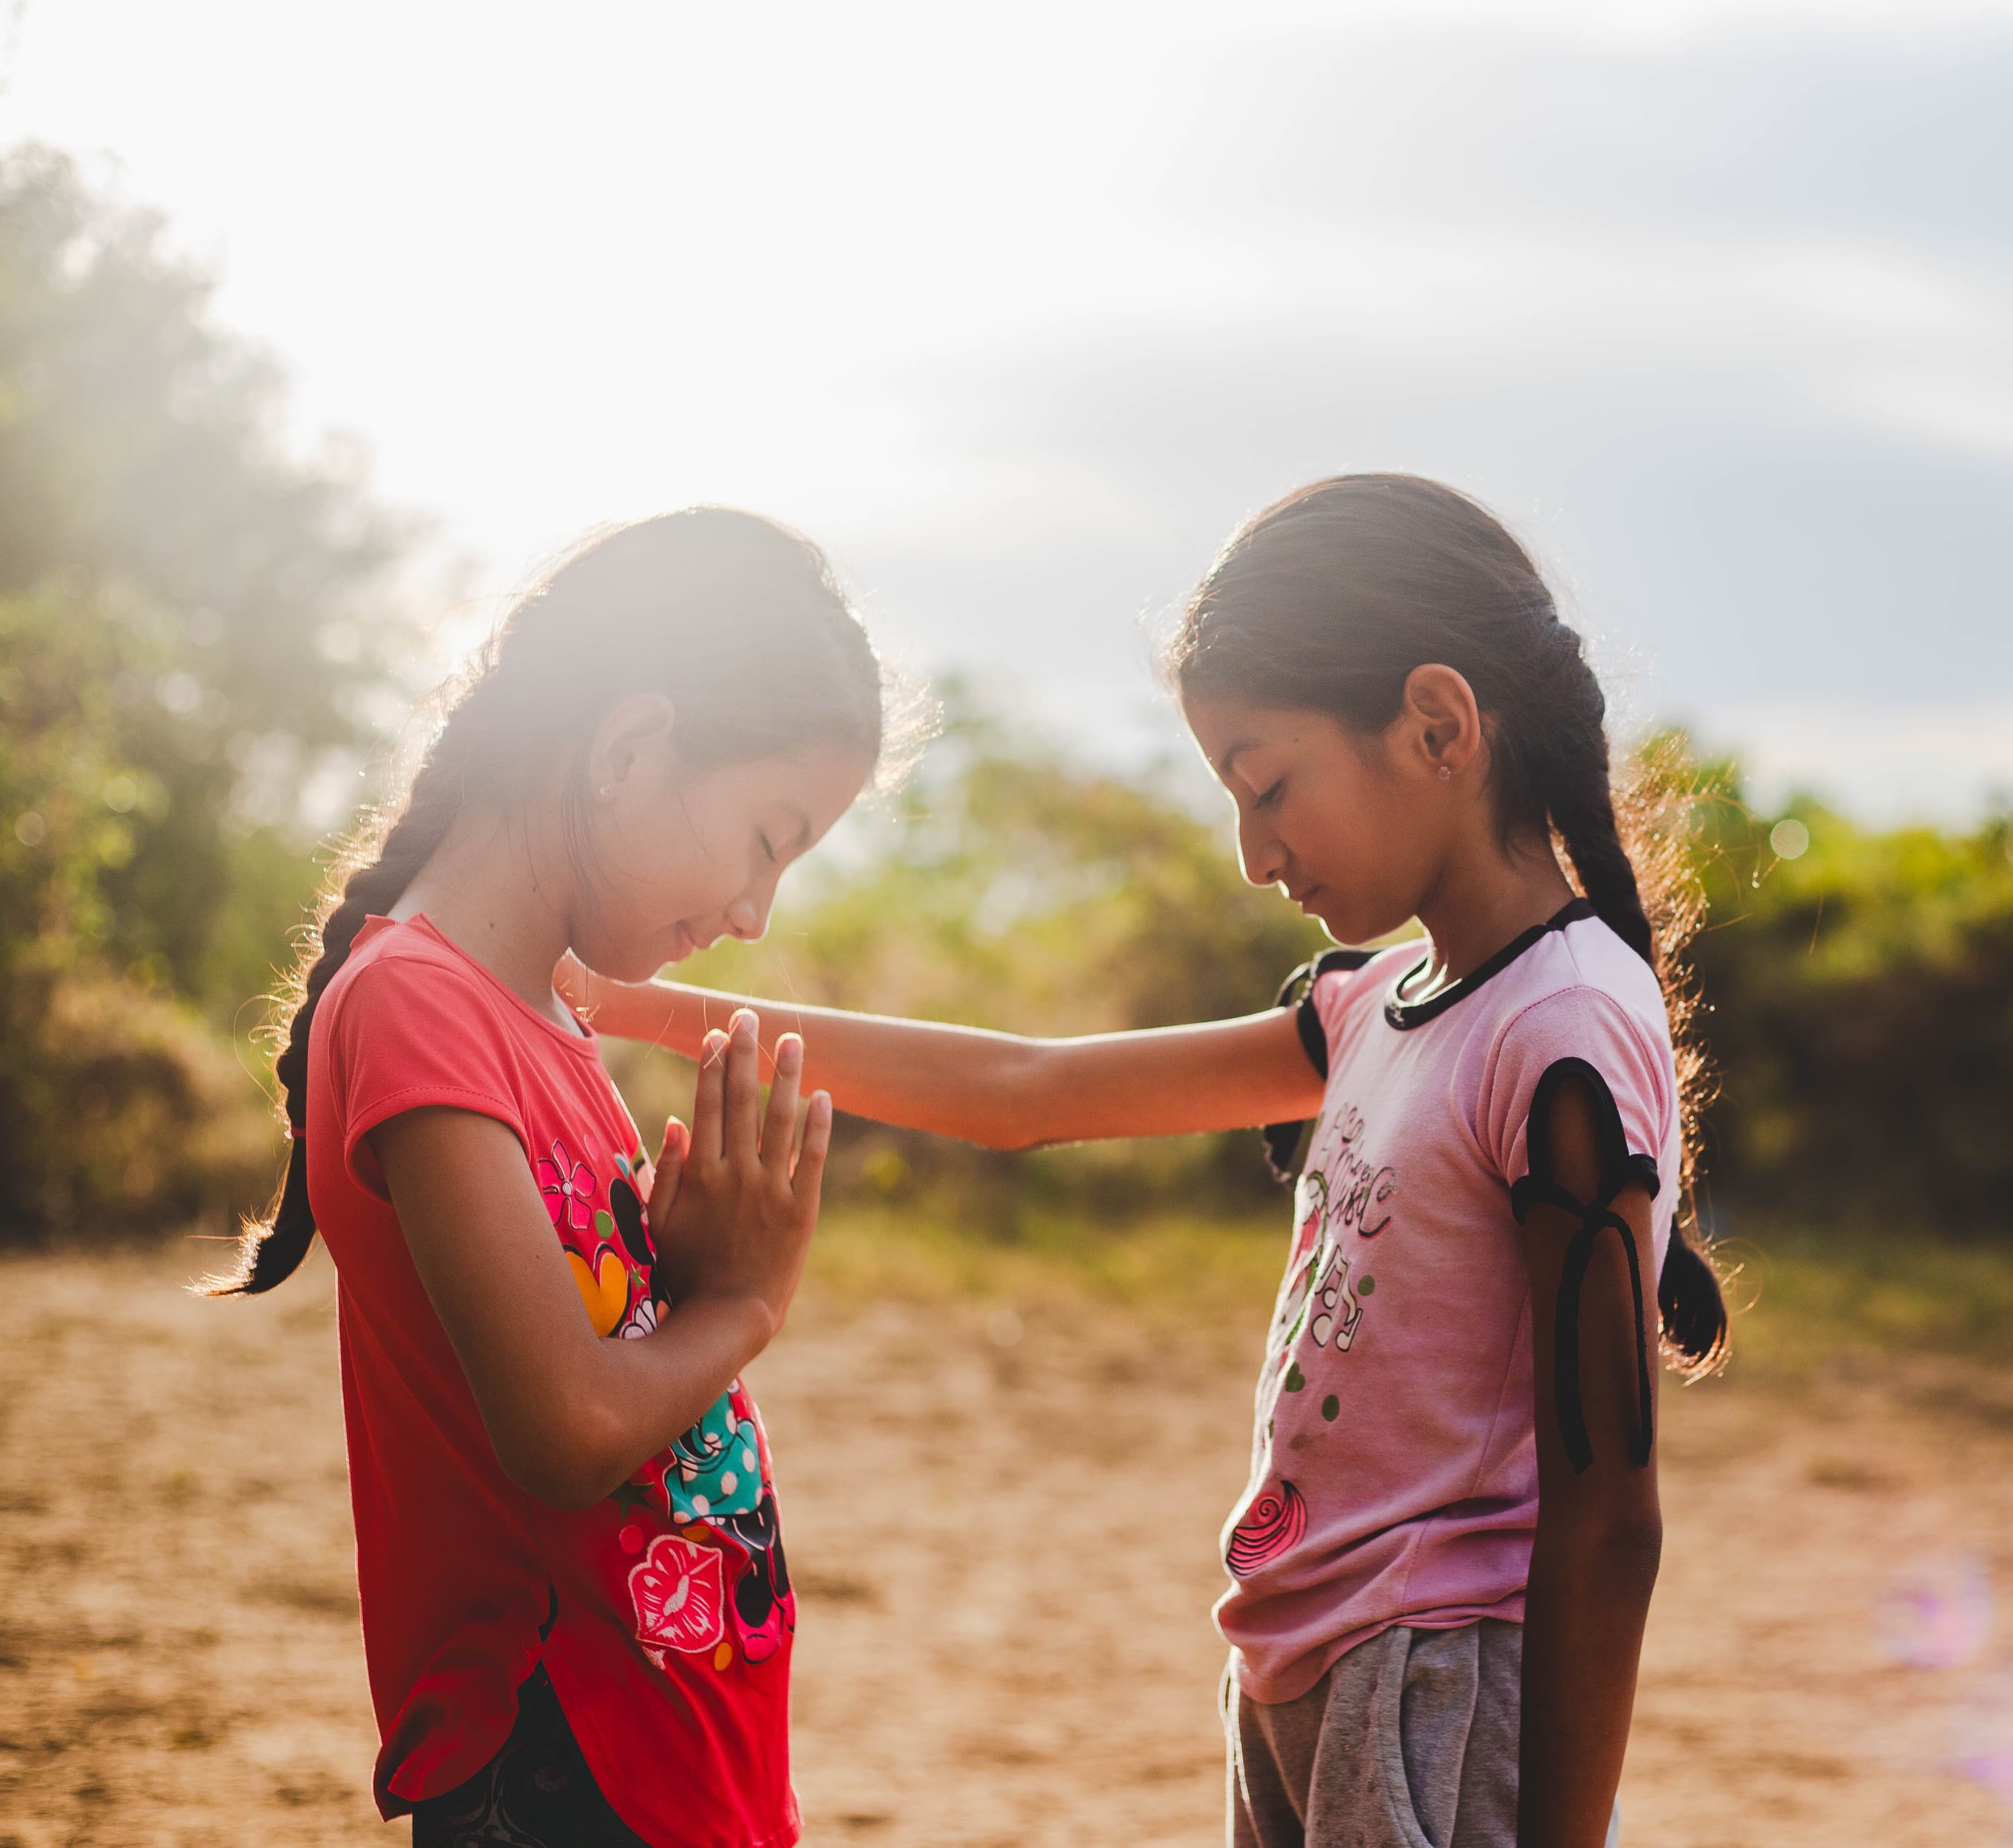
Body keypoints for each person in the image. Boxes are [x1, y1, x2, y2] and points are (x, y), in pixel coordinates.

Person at [572, 474, 1732, 1847]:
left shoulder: (1561, 1026)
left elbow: (1611, 1518)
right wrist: (629, 1002)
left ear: (1437, 724)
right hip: (1305, 1670)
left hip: (1432, 1687)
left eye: (1269, 784)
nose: (1252, 854)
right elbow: (1027, 1089)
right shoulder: (1375, 1005)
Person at [206, 507, 915, 1848]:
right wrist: (745, 1305)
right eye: (767, 838)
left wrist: (680, 1274)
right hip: (557, 1773)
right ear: (631, 749)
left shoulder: (547, 1025)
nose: (758, 914)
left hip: (670, 1762)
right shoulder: (421, 1004)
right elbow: (571, 1429)